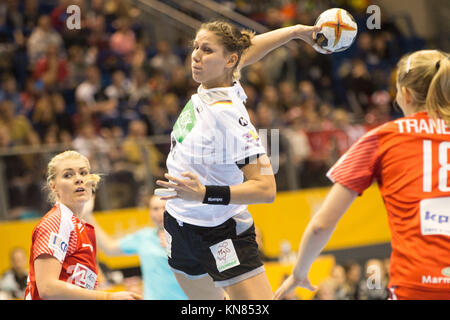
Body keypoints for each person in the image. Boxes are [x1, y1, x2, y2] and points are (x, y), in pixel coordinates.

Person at [155, 20, 328, 300]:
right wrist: (296, 32)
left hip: (220, 231)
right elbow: (250, 48)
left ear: (229, 60)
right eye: (195, 47)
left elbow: (266, 188)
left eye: (207, 50)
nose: (196, 56)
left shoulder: (229, 117)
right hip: (178, 223)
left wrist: (204, 194)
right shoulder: (216, 81)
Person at [275, 50, 450, 300]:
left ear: (406, 94)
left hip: (416, 285)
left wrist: (299, 272)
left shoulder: (383, 138)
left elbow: (321, 225)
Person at [24, 150, 141, 300]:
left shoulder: (84, 228)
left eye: (83, 173)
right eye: (68, 175)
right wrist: (108, 297)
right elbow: (47, 288)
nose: (79, 179)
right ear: (53, 186)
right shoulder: (56, 222)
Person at [84, 195, 188, 300]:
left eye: (165, 208)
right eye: (155, 208)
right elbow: (109, 247)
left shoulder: (187, 238)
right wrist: (87, 215)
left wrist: (177, 249)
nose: (160, 213)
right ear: (150, 212)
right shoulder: (144, 236)